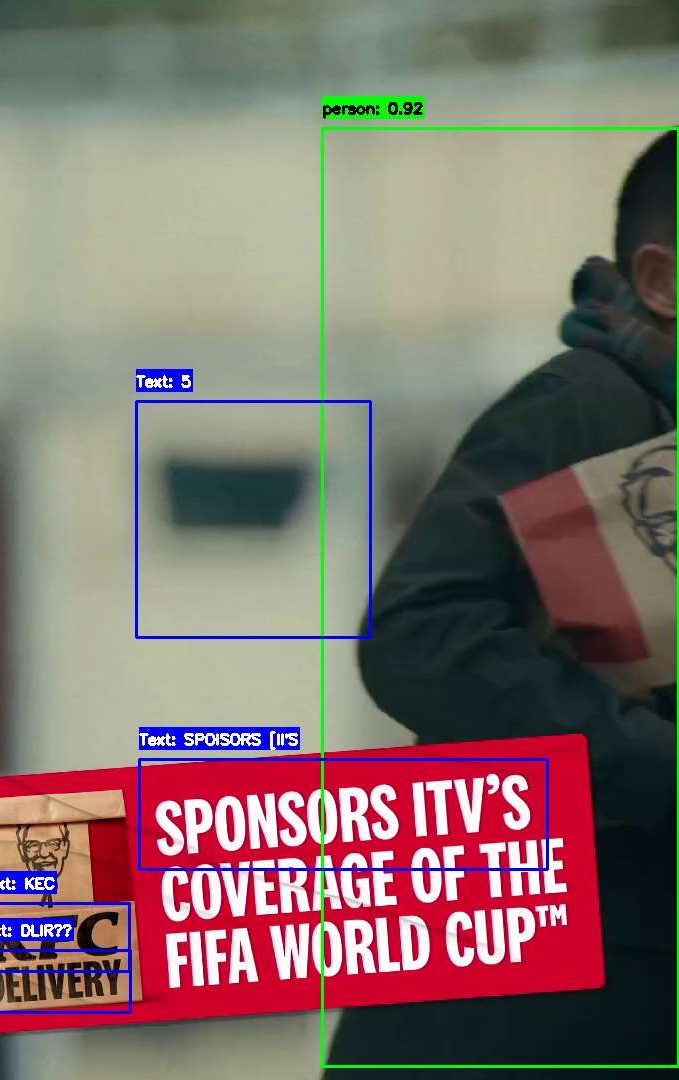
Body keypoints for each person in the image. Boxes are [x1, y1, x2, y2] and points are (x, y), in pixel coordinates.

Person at [326, 129, 676, 1071]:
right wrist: (661, 770)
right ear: (662, 282)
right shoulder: (591, 407)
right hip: (523, 1006)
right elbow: (419, 634)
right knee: (29, 909)